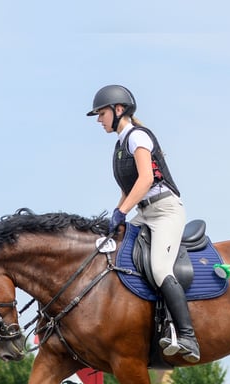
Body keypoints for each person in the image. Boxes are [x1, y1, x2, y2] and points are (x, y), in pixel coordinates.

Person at [87, 84, 200, 363]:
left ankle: (187, 336)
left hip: (165, 211)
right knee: (111, 253)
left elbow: (146, 180)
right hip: (144, 212)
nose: (99, 120)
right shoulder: (119, 147)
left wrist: (122, 212)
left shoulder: (137, 137)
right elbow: (128, 189)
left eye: (101, 114)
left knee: (160, 267)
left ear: (118, 110)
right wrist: (115, 215)